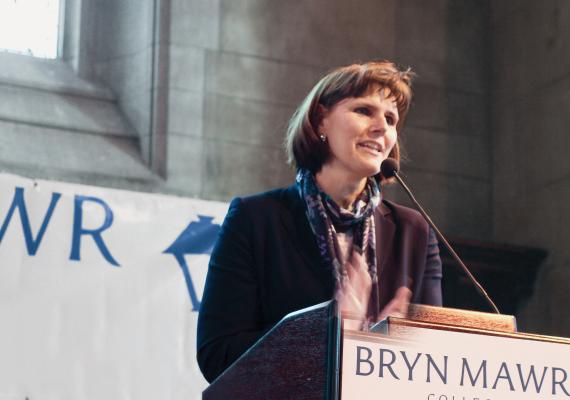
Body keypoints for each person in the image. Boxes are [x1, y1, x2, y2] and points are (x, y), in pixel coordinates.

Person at [197, 60, 443, 383]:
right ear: (320, 120)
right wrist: (323, 335)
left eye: (391, 118)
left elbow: (436, 357)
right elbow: (218, 355)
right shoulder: (256, 220)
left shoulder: (414, 233)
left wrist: (395, 346)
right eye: (364, 111)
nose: (382, 128)